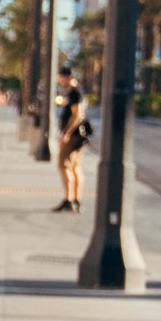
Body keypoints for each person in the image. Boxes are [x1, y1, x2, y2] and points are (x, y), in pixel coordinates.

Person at [54, 63, 90, 212]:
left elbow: (77, 115)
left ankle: (69, 199)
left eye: (61, 78)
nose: (60, 81)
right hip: (77, 136)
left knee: (64, 165)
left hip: (74, 136)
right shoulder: (72, 92)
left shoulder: (75, 93)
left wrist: (66, 133)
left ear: (68, 77)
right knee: (74, 167)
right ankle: (75, 199)